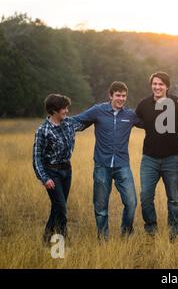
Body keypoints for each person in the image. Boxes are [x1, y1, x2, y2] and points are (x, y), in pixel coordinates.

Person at [73, 81, 143, 241]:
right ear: (110, 95)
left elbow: (152, 125)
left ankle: (126, 234)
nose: (121, 98)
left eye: (124, 95)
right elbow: (77, 120)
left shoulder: (130, 115)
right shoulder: (98, 111)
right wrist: (57, 120)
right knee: (101, 206)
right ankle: (103, 238)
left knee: (131, 203)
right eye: (118, 95)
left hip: (122, 165)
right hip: (102, 165)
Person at [33, 94, 86, 244]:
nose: (67, 111)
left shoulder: (69, 123)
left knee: (57, 208)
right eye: (64, 108)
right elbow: (37, 158)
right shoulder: (43, 131)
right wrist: (44, 178)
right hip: (52, 173)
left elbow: (86, 121)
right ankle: (63, 240)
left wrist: (102, 113)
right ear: (54, 110)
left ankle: (45, 239)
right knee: (61, 209)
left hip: (67, 171)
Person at [135, 71, 178, 241]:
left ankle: (174, 233)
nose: (157, 87)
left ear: (167, 86)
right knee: (146, 197)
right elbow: (134, 120)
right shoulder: (144, 104)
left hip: (173, 158)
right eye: (154, 84)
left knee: (174, 199)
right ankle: (151, 231)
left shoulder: (177, 102)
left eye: (161, 84)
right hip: (149, 159)